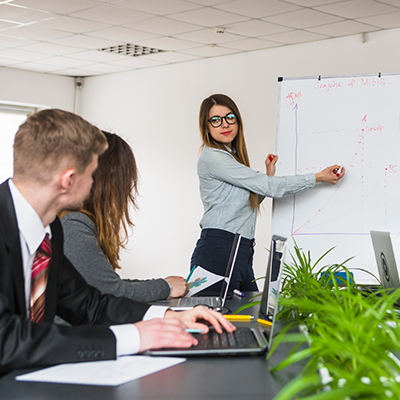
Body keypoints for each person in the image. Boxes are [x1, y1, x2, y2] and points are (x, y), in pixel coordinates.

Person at [0, 108, 235, 377]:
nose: (93, 185)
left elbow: (88, 303)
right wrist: (131, 337)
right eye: (91, 175)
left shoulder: (48, 227)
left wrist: (166, 317)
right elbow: (6, 340)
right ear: (69, 180)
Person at [190, 94, 345, 293]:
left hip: (241, 250)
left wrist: (268, 175)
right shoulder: (214, 158)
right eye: (216, 120)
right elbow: (270, 188)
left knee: (253, 315)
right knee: (215, 321)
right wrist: (318, 177)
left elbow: (247, 201)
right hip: (218, 250)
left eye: (230, 117)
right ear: (206, 127)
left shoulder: (231, 157)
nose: (225, 124)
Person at [60, 131, 188, 303]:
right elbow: (110, 291)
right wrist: (166, 288)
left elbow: (105, 283)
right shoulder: (73, 225)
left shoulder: (78, 221)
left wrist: (163, 284)